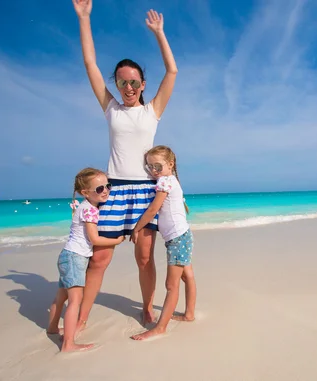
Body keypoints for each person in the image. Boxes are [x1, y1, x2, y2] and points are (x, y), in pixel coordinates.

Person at [72, 0, 178, 330]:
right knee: (100, 257)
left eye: (134, 82)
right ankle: (83, 315)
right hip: (113, 190)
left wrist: (160, 34)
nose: (128, 88)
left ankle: (146, 308)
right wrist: (84, 19)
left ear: (142, 85)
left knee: (144, 257)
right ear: (116, 85)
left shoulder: (152, 111)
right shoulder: (111, 109)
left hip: (147, 191)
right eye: (122, 82)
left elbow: (172, 71)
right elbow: (90, 63)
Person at [47, 168, 125, 352]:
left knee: (61, 296)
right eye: (99, 189)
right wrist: (118, 240)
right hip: (75, 258)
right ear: (85, 193)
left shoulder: (84, 206)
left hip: (68, 255)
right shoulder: (90, 210)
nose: (105, 191)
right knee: (75, 300)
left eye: (108, 186)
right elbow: (95, 239)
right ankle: (68, 343)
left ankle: (52, 328)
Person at [130, 146, 197, 341]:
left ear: (171, 164)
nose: (153, 171)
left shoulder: (165, 182)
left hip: (177, 238)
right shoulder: (169, 179)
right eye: (149, 167)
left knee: (171, 285)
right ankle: (189, 314)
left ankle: (160, 327)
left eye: (157, 166)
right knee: (188, 276)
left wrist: (136, 228)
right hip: (182, 236)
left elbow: (153, 210)